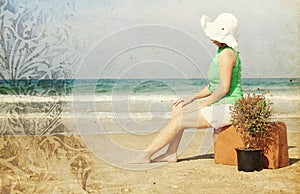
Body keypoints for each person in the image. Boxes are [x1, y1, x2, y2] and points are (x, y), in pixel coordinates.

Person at [133, 13, 243, 163]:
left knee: (180, 120)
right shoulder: (221, 52)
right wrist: (193, 98)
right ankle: (171, 153)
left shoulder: (227, 54)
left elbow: (224, 88)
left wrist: (205, 103)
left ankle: (145, 155)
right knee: (179, 108)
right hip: (220, 103)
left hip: (229, 107)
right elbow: (213, 86)